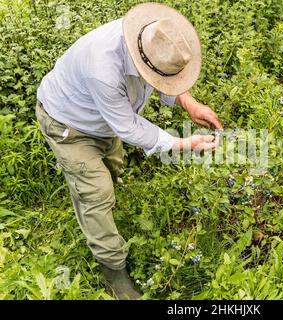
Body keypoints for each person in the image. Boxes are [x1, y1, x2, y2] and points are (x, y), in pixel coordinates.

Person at [35, 2, 223, 300]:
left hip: (103, 121)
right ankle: (114, 273)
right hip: (68, 124)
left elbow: (162, 78)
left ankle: (98, 201)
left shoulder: (152, 37)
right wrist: (181, 144)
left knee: (113, 169)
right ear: (141, 62)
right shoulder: (103, 68)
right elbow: (127, 126)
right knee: (96, 193)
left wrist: (189, 103)